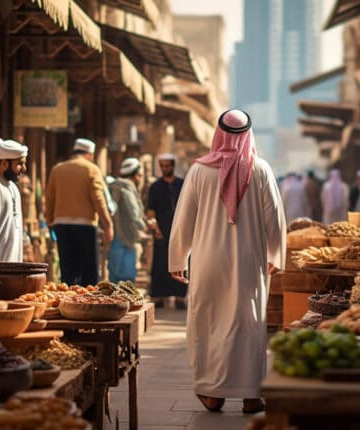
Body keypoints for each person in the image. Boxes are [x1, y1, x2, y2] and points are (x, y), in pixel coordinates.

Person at [168, 110, 286, 415]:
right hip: (248, 261)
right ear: (249, 134)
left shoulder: (198, 171)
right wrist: (275, 254)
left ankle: (213, 393)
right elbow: (274, 219)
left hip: (207, 260)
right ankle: (250, 395)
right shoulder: (260, 170)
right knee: (248, 322)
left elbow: (183, 220)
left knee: (209, 321)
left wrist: (178, 257)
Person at [45, 138, 114, 286]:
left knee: (68, 271)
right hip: (85, 226)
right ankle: (88, 305)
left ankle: (68, 304)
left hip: (61, 225)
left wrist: (50, 220)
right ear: (89, 154)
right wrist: (108, 224)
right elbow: (98, 199)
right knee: (89, 272)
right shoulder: (91, 169)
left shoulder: (58, 169)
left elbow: (49, 198)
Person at [146, 153, 187, 309]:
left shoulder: (182, 184)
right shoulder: (155, 187)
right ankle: (159, 296)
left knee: (181, 262)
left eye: (167, 166)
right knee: (160, 264)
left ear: (173, 166)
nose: (165, 169)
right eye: (162, 166)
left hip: (180, 232)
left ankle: (179, 296)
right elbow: (151, 212)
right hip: (161, 233)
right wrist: (155, 228)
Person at [107, 158, 146, 283]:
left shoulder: (113, 186)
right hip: (126, 238)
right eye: (140, 175)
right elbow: (134, 213)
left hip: (114, 237)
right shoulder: (127, 188)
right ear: (135, 175)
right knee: (126, 281)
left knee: (114, 279)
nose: (140, 179)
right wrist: (143, 226)